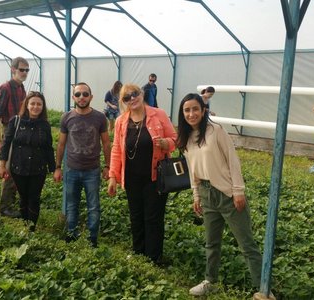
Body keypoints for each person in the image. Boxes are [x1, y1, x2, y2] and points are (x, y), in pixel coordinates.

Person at [176, 93, 262, 296]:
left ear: (204, 110)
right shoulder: (186, 137)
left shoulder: (216, 131)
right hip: (206, 195)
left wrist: (238, 191)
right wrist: (196, 195)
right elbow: (192, 169)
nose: (191, 113)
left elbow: (233, 161)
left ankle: (262, 287)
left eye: (195, 109)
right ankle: (210, 280)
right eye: (187, 110)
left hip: (227, 194)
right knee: (212, 243)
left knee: (246, 244)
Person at [107, 83, 177, 264]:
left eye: (135, 94)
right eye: (126, 97)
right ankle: (139, 254)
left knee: (153, 218)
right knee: (136, 216)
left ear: (142, 93)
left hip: (155, 178)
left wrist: (166, 143)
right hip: (131, 179)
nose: (132, 98)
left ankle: (153, 258)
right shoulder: (121, 121)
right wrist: (113, 176)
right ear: (122, 102)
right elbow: (116, 149)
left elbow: (175, 139)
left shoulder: (158, 114)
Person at [53, 82, 111, 248]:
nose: (82, 97)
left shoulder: (100, 117)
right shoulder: (67, 117)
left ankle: (93, 240)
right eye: (78, 94)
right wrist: (58, 167)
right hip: (71, 169)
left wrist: (107, 166)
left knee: (94, 206)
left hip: (92, 170)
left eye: (85, 94)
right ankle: (72, 236)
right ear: (73, 97)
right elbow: (61, 144)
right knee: (72, 206)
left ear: (91, 97)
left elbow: (106, 143)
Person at [0, 91, 55, 231]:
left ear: (43, 107)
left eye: (39, 104)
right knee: (23, 197)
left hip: (38, 169)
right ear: (27, 105)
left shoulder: (45, 125)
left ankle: (32, 229)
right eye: (32, 103)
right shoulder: (15, 121)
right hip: (18, 167)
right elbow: (6, 144)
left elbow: (48, 148)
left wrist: (54, 169)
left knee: (34, 198)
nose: (36, 107)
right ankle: (25, 224)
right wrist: (2, 164)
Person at [0, 57, 29, 218]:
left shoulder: (21, 88)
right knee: (9, 170)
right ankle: (5, 207)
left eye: (27, 70)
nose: (25, 73)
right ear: (13, 69)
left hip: (21, 131)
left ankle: (12, 202)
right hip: (10, 130)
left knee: (17, 167)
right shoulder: (5, 88)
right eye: (22, 70)